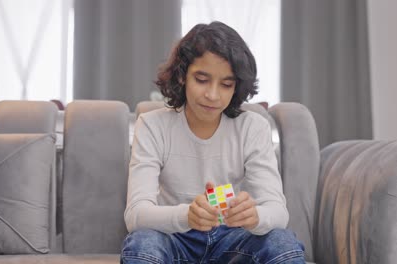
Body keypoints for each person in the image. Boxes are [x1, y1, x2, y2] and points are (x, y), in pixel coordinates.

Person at [121, 21, 305, 263]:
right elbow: (135, 215)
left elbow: (278, 212)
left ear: (236, 86)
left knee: (282, 241)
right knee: (143, 242)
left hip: (234, 239)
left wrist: (255, 216)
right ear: (182, 76)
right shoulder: (152, 125)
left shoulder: (253, 127)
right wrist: (187, 215)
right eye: (201, 79)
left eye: (226, 84)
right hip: (175, 238)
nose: (213, 95)